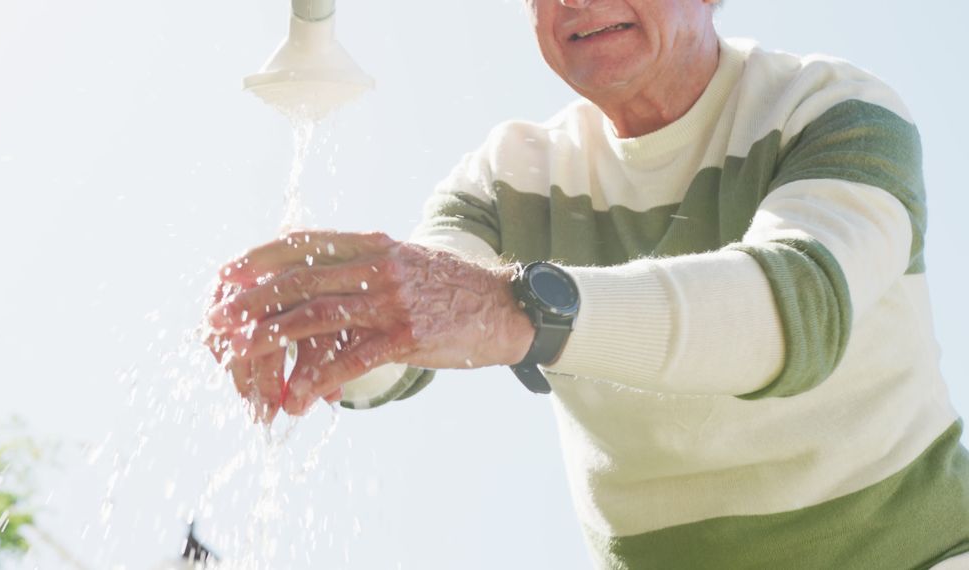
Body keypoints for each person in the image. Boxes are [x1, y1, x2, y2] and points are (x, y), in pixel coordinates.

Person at [206, 0, 969, 567]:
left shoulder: (832, 109)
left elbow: (791, 306)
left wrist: (517, 307)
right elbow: (405, 346)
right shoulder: (511, 175)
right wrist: (325, 330)